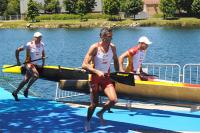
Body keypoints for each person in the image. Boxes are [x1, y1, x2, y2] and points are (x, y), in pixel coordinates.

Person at [82, 27, 119, 131]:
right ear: (102, 37)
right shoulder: (94, 47)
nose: (111, 39)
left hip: (106, 77)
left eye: (112, 37)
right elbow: (84, 64)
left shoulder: (113, 47)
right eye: (109, 37)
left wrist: (118, 73)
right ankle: (88, 121)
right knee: (94, 104)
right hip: (94, 78)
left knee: (114, 100)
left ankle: (100, 113)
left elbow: (116, 60)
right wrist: (97, 71)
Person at [12, 32, 45, 101]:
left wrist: (43, 63)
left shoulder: (42, 44)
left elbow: (43, 54)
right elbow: (17, 50)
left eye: (40, 37)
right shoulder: (29, 44)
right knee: (36, 75)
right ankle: (26, 90)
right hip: (29, 64)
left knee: (25, 80)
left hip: (35, 64)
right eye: (37, 37)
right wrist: (18, 61)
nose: (39, 38)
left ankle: (15, 92)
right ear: (34, 38)